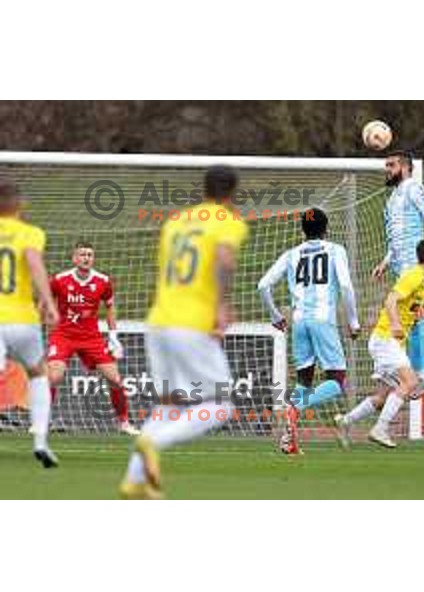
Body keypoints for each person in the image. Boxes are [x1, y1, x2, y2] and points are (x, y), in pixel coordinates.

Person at [120, 165, 248, 499]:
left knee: (169, 405)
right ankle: (152, 442)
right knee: (220, 404)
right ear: (232, 193)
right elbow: (223, 260)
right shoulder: (228, 221)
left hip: (159, 321)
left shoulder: (175, 222)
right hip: (191, 324)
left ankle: (134, 480)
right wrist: (221, 306)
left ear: (203, 189)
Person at [258, 207, 360, 454]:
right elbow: (346, 287)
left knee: (304, 380)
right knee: (336, 381)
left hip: (299, 320)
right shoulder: (336, 250)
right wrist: (353, 321)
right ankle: (296, 408)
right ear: (326, 229)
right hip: (323, 319)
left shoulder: (291, 254)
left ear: (303, 230)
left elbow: (263, 285)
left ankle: (288, 440)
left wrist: (275, 316)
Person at [336, 238, 424, 448]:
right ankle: (380, 429)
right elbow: (390, 299)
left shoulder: (423, 280)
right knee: (410, 382)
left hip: (386, 341)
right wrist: (396, 324)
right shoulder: (414, 276)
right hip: (386, 339)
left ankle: (345, 422)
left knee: (381, 397)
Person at [47, 241, 139, 435]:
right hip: (63, 335)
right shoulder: (59, 280)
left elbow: (110, 306)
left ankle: (124, 423)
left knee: (115, 379)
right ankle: (42, 421)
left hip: (91, 338)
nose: (86, 258)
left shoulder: (103, 281)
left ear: (93, 258)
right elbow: (45, 301)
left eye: (89, 255)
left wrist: (114, 336)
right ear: (74, 258)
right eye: (82, 254)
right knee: (54, 376)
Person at [372, 150, 424, 397]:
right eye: (386, 165)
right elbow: (396, 238)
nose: (387, 170)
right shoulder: (392, 199)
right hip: (401, 266)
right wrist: (385, 261)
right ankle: (415, 372)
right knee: (409, 317)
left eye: (391, 165)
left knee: (420, 313)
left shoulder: (414, 188)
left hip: (418, 262)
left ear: (405, 167)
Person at [0, 179, 60, 467]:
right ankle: (40, 442)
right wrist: (48, 301)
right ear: (19, 205)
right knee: (37, 373)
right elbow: (34, 263)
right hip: (22, 320)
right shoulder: (30, 233)